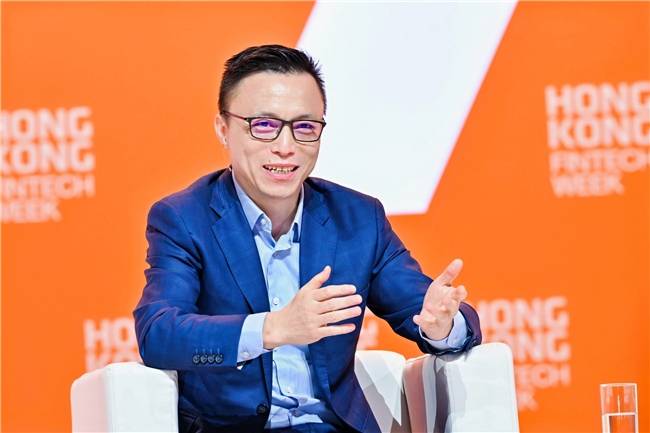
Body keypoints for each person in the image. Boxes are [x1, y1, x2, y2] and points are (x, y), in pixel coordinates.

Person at [134, 44, 481, 433]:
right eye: (263, 125)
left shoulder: (357, 218)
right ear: (223, 129)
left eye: (304, 127)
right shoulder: (184, 219)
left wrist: (442, 327)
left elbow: (424, 310)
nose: (285, 147)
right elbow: (159, 334)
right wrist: (273, 328)